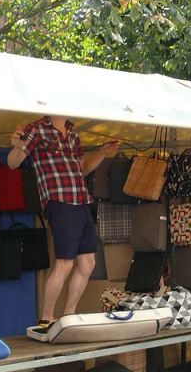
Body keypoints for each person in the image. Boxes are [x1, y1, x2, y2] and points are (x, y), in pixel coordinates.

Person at [9, 115, 118, 333]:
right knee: (65, 262)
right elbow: (13, 162)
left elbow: (83, 168)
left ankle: (68, 316)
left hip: (81, 199)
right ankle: (46, 318)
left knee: (87, 263)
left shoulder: (73, 134)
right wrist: (18, 145)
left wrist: (103, 153)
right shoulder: (37, 128)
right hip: (59, 200)